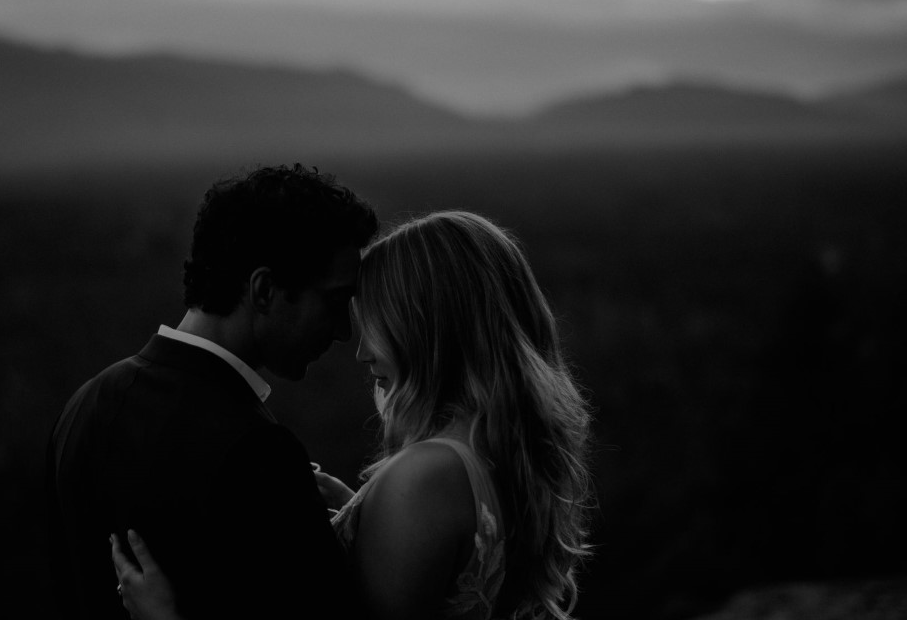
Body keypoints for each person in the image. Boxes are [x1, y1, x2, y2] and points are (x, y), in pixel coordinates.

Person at [111, 210, 593, 620]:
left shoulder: (426, 476)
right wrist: (363, 516)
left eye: (376, 328)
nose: (361, 352)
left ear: (427, 328)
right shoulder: (489, 455)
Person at [47, 163, 378, 620]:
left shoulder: (83, 407)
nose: (343, 331)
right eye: (335, 301)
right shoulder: (257, 451)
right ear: (264, 290)